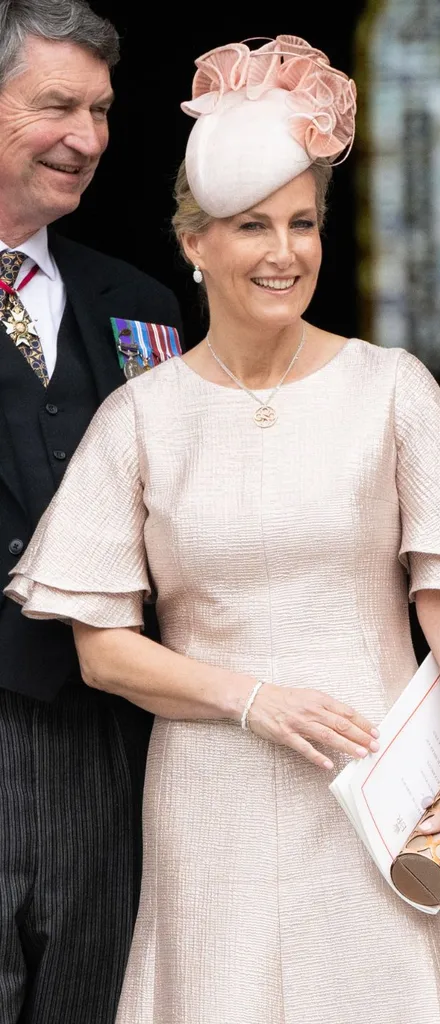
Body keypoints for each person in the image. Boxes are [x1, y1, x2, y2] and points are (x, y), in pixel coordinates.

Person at [6, 36, 440, 1024]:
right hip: (211, 801)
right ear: (196, 243)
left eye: (302, 223)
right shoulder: (141, 415)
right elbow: (101, 651)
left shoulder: (390, 390)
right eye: (252, 226)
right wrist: (250, 700)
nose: (284, 252)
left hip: (373, 793)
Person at [0, 2, 182, 1022]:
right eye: (57, 106)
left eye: (103, 111)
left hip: (106, 737)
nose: (88, 136)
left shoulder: (144, 307)